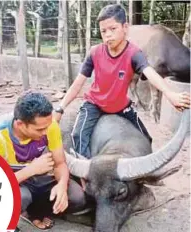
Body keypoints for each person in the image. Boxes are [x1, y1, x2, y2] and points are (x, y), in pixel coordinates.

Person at [54, 4, 190, 159]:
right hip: (95, 104)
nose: (107, 35)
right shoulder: (95, 52)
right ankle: (86, 176)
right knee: (78, 136)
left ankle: (145, 175)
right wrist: (60, 108)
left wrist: (170, 94)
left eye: (113, 29)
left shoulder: (134, 53)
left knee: (146, 138)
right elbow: (78, 83)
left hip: (121, 106)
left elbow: (150, 72)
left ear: (125, 27)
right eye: (103, 31)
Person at [0, 91, 87, 230]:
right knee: (20, 199)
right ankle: (23, 213)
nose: (46, 132)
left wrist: (62, 185)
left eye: (47, 127)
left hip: (40, 177)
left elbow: (60, 163)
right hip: (14, 181)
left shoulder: (50, 126)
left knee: (77, 197)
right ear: (20, 124)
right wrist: (31, 169)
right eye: (40, 129)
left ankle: (35, 212)